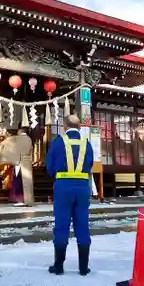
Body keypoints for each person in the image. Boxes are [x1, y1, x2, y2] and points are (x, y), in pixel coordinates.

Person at [45, 115, 94, 276]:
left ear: (65, 127)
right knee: (82, 224)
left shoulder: (58, 142)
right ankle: (83, 268)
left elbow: (50, 167)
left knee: (61, 225)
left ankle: (58, 266)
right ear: (79, 126)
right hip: (82, 187)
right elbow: (90, 164)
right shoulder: (86, 143)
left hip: (63, 187)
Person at [0, 127, 35, 206]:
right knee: (27, 182)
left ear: (20, 132)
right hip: (27, 162)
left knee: (19, 180)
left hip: (19, 161)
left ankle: (20, 199)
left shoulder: (18, 138)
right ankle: (28, 200)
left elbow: (9, 143)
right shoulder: (29, 139)